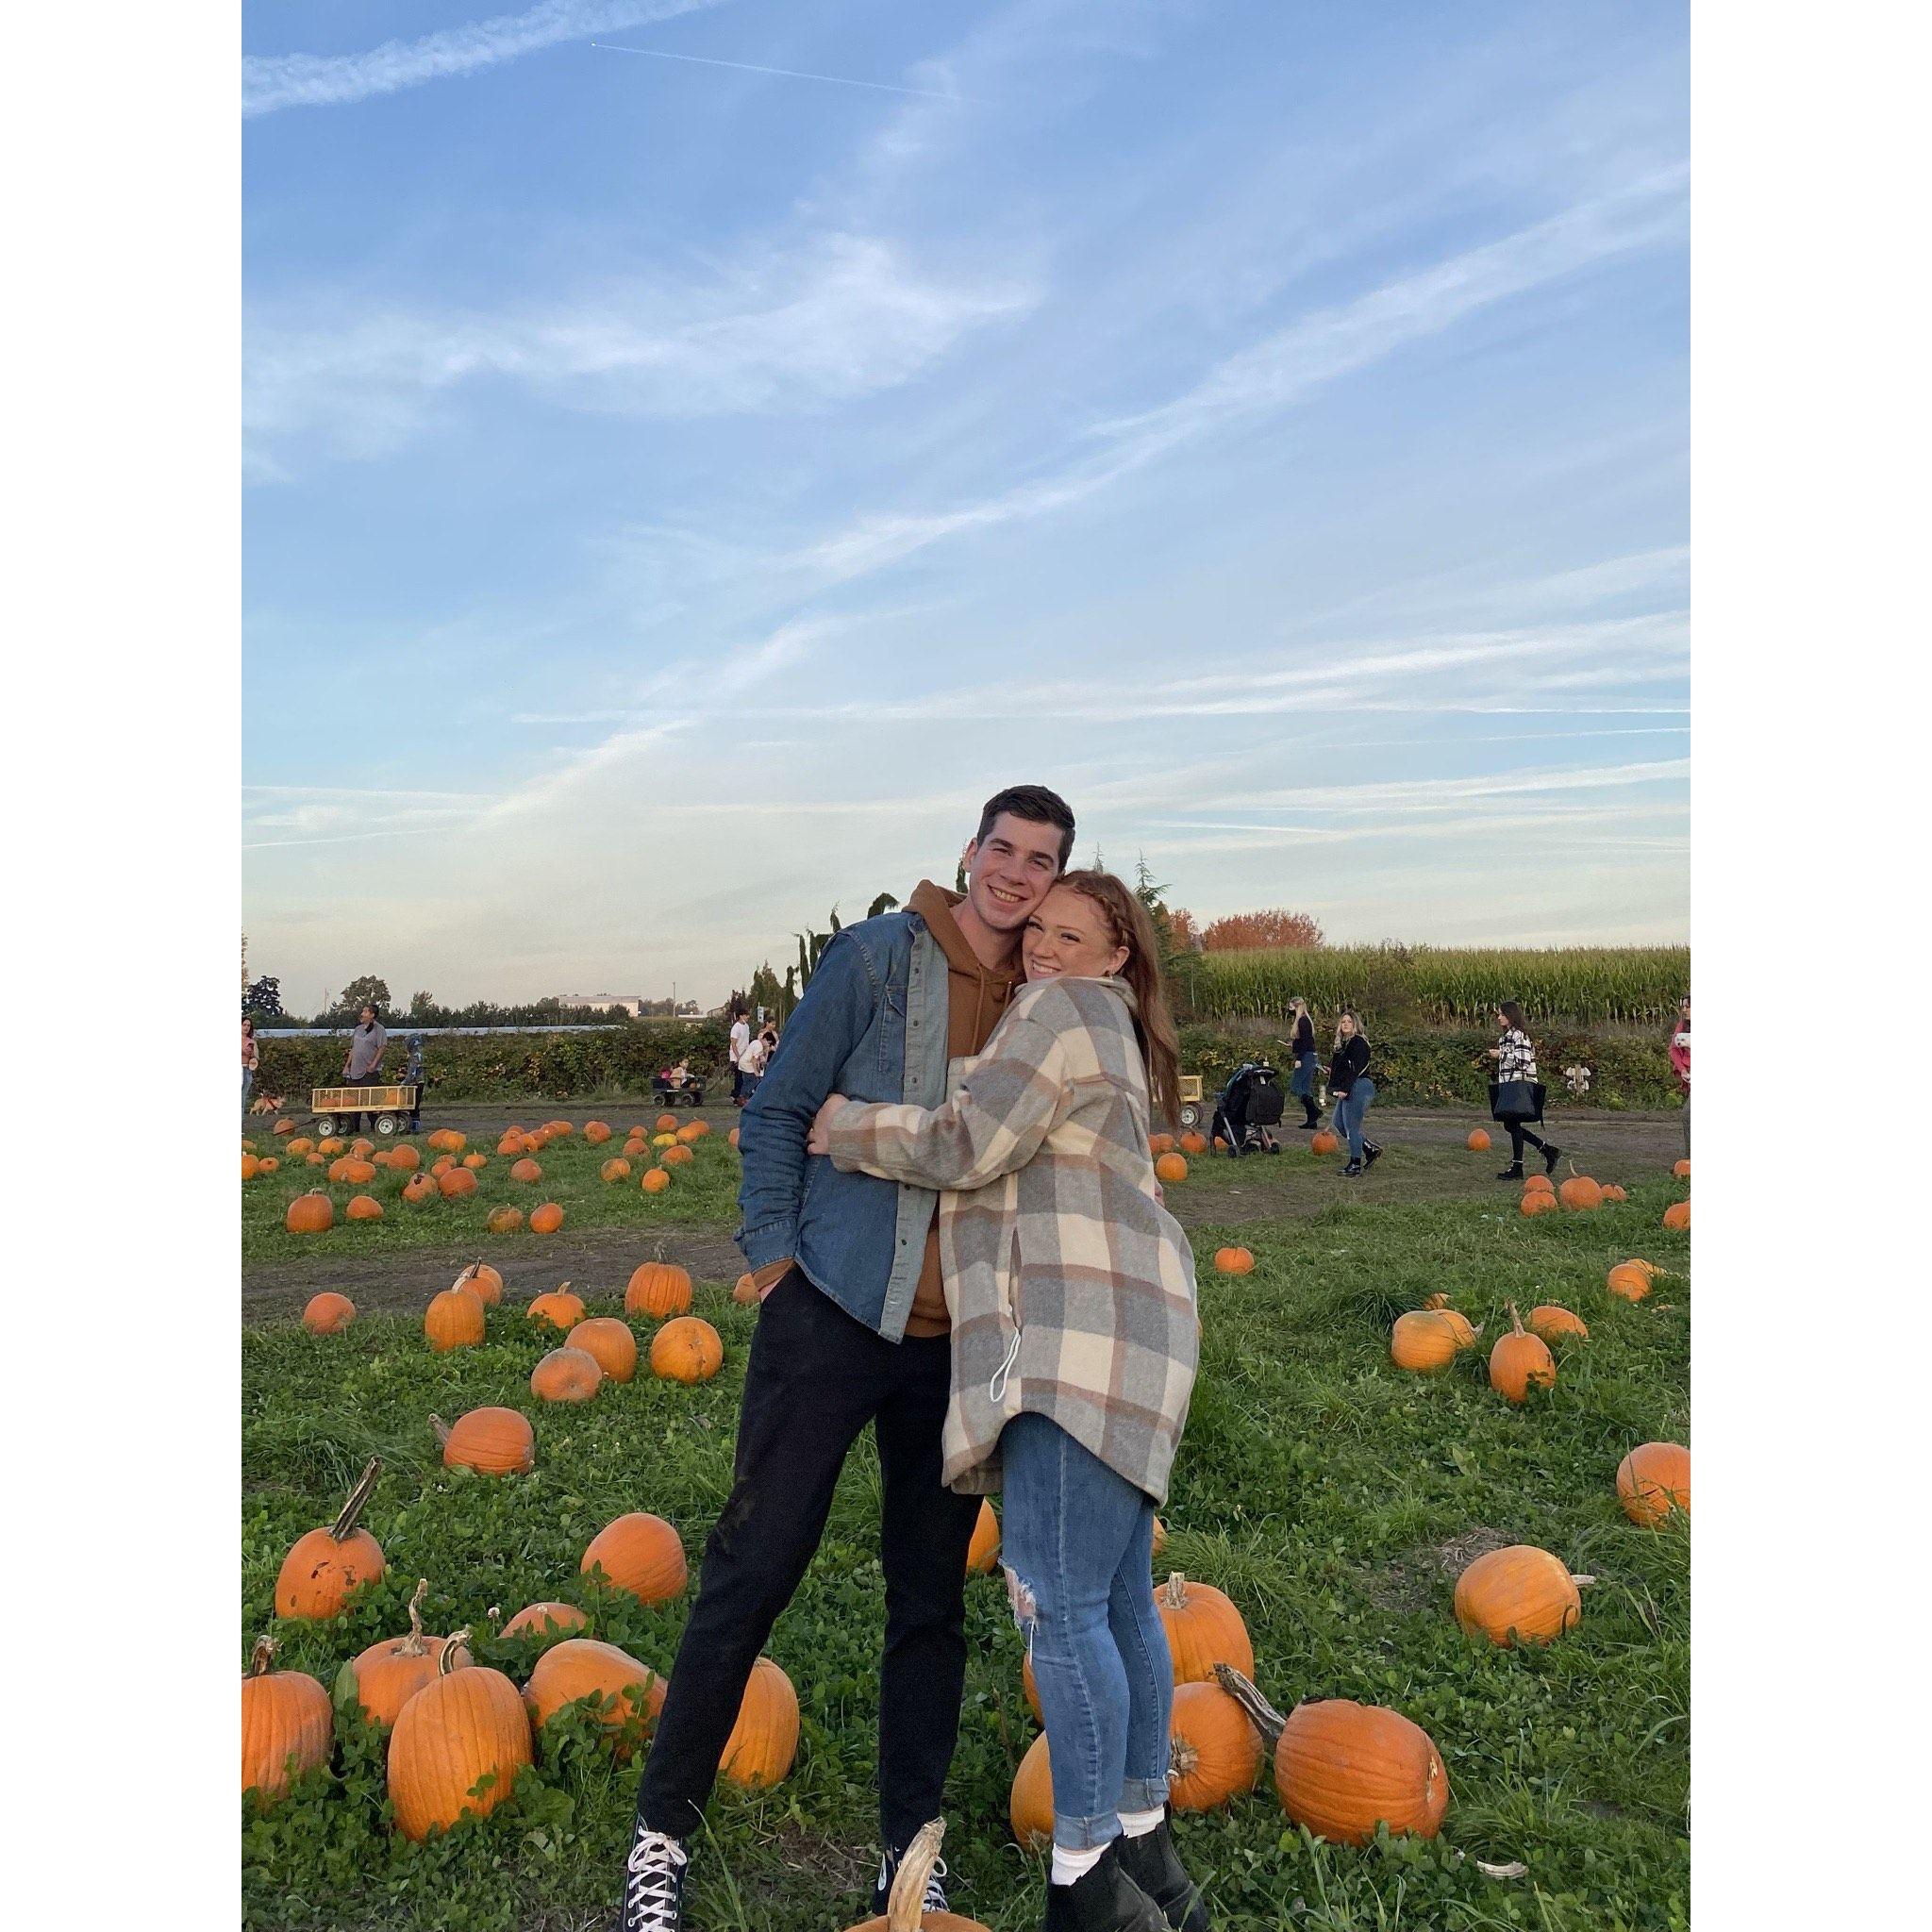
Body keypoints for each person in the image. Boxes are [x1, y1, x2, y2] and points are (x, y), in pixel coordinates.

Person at [620, 785, 1077, 1932]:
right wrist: (774, 1260)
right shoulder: (876, 958)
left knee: (929, 1598)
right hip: (829, 1313)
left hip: (955, 1346)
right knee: (751, 1565)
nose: (1016, 877)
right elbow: (777, 1109)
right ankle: (660, 1837)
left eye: (1041, 861)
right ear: (969, 851)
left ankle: (907, 1852)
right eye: (1003, 851)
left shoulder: (1044, 998)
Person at [811, 869, 1205, 1932]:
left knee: (1057, 1606)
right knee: (1120, 1600)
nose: (1042, 948)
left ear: (1116, 953)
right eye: (1037, 931)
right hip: (1139, 1332)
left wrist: (842, 1125)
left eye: (1071, 934)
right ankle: (1145, 1851)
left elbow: (965, 1140)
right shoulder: (1112, 1024)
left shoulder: (1056, 1008)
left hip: (1073, 1337)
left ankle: (1083, 1883)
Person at [1489, 1002, 1560, 1180]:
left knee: (1511, 1124)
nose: (1499, 1018)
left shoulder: (1520, 1036)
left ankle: (1519, 1167)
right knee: (1511, 1125)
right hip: (1508, 1085)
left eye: (1502, 1014)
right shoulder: (1505, 1038)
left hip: (1519, 1086)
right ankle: (1546, 1150)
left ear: (1511, 1015)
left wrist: (1501, 1055)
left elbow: (1523, 1062)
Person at [1328, 1008, 1381, 1177]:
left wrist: (1343, 1089)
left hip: (1358, 1086)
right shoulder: (1342, 1045)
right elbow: (1343, 1069)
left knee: (1351, 1127)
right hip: (1348, 1086)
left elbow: (1354, 1069)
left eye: (1349, 1022)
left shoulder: (1358, 1043)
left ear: (1355, 1025)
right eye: (1343, 1022)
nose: (1345, 1024)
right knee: (1339, 1123)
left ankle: (1355, 1164)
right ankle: (1369, 1149)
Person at [340, 1004, 387, 1133]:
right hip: (355, 1071)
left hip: (369, 1071)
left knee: (369, 1100)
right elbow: (353, 1049)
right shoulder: (358, 1029)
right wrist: (347, 1066)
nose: (362, 1013)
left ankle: (375, 1127)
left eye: (365, 1011)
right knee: (354, 1101)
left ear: (372, 1015)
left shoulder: (379, 1029)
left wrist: (373, 1065)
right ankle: (354, 1128)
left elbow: (382, 1048)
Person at [1287, 996, 1321, 1129]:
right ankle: (1312, 1120)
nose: (1289, 1010)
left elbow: (1306, 1042)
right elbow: (1304, 1041)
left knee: (1296, 1086)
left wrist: (1299, 1059)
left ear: (1297, 1007)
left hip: (1306, 1057)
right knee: (1305, 1088)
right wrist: (1294, 1045)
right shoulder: (1305, 1021)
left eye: (1291, 1008)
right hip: (1309, 1055)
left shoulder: (1302, 1021)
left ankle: (1314, 1111)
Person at [1669, 995, 1690, 1155]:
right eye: (1683, 1006)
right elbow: (1674, 1049)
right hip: (1690, 1075)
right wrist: (1682, 1069)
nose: (1684, 1009)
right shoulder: (1682, 1026)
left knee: (1688, 1114)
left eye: (1688, 1006)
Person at [402, 1033, 425, 1133]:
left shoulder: (415, 1056)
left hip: (415, 1084)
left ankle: (415, 1127)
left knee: (413, 1105)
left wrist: (404, 1083)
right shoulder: (419, 1054)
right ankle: (414, 1124)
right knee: (414, 1105)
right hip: (419, 1082)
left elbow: (412, 1072)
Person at [728, 1008, 752, 1107]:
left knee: (744, 1077)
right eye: (746, 1015)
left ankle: (740, 1095)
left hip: (745, 1055)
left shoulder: (746, 1026)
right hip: (737, 1056)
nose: (748, 1017)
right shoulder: (736, 1027)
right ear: (741, 1016)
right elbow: (733, 1043)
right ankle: (736, 1096)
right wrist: (737, 1057)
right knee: (739, 1077)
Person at [242, 1015, 259, 1124]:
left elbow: (257, 1058)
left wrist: (252, 1054)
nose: (246, 1027)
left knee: (242, 1097)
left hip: (247, 1070)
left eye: (248, 1025)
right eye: (244, 1025)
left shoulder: (252, 1042)